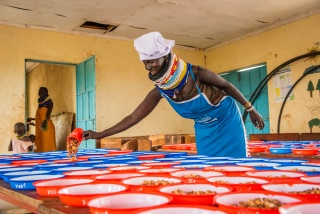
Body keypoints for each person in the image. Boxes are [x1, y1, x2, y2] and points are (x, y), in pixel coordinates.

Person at [83, 32, 265, 157]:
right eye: (145, 63)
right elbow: (132, 118)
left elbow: (226, 86)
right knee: (209, 170)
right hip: (205, 130)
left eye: (152, 61)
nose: (148, 67)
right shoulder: (161, 91)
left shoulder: (196, 73)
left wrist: (250, 108)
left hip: (226, 122)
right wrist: (100, 134)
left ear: (165, 55)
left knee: (236, 168)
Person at [27, 87, 57, 152]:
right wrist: (32, 119)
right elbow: (40, 117)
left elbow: (47, 117)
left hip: (46, 128)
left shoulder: (49, 102)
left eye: (41, 92)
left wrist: (43, 125)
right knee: (40, 145)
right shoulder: (40, 104)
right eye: (39, 92)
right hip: (41, 128)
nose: (39, 93)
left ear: (46, 93)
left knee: (47, 145)